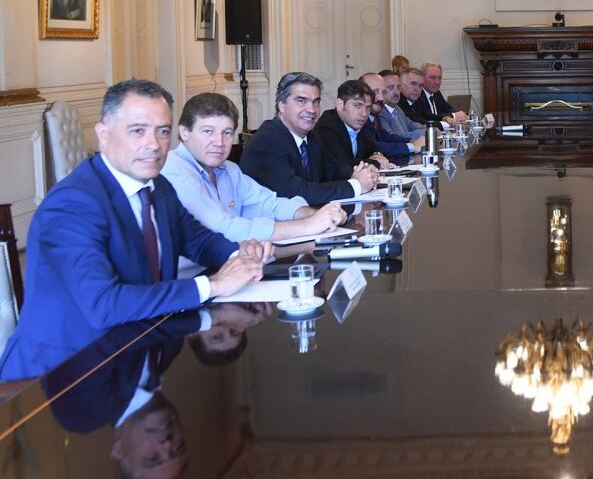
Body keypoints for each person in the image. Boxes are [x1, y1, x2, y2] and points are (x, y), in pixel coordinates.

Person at [0, 80, 269, 380]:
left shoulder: (158, 186)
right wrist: (214, 285)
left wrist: (240, 254)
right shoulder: (71, 204)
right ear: (104, 134)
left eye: (162, 131)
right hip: (63, 376)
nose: (153, 144)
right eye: (138, 131)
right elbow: (103, 304)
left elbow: (199, 240)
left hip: (139, 353)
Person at [161, 92, 346, 255]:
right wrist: (307, 226)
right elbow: (224, 228)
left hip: (235, 264)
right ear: (184, 132)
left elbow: (270, 204)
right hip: (195, 277)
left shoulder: (229, 170)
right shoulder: (173, 170)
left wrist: (317, 215)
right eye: (208, 131)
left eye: (227, 133)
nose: (219, 142)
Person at [240, 72, 379, 206]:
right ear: (282, 105)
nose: (312, 109)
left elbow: (335, 171)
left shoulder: (311, 137)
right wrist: (355, 185)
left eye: (316, 102)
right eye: (301, 101)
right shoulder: (267, 141)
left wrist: (363, 174)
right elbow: (298, 193)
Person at [314, 79, 393, 174]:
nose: (364, 114)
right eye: (357, 106)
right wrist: (375, 162)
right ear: (340, 105)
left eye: (368, 108)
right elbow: (344, 164)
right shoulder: (326, 128)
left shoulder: (358, 124)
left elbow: (374, 147)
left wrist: (377, 154)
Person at [360, 72, 423, 158]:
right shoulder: (360, 119)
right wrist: (412, 146)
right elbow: (372, 146)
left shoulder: (374, 116)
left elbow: (386, 137)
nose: (381, 98)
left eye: (383, 92)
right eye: (374, 92)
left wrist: (412, 141)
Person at [378, 69, 426, 142]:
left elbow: (412, 125)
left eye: (398, 87)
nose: (397, 92)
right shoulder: (380, 112)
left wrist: (431, 128)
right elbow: (393, 137)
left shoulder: (397, 108)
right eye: (391, 87)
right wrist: (427, 132)